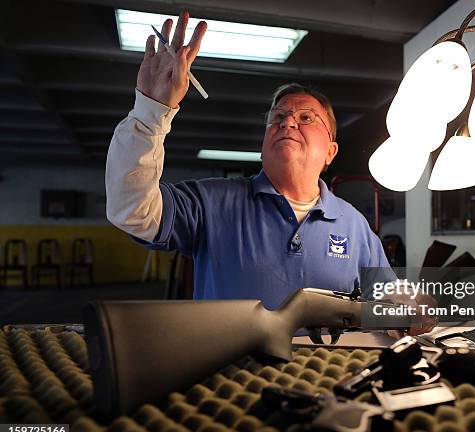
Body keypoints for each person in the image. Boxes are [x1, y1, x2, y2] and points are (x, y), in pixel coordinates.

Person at [105, 11, 436, 336]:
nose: (288, 122)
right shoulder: (212, 203)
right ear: (264, 143)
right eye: (278, 117)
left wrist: (411, 307)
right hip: (232, 379)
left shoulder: (355, 226)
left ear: (330, 152)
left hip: (327, 382)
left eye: (306, 118)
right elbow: (133, 210)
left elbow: (388, 303)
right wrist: (150, 110)